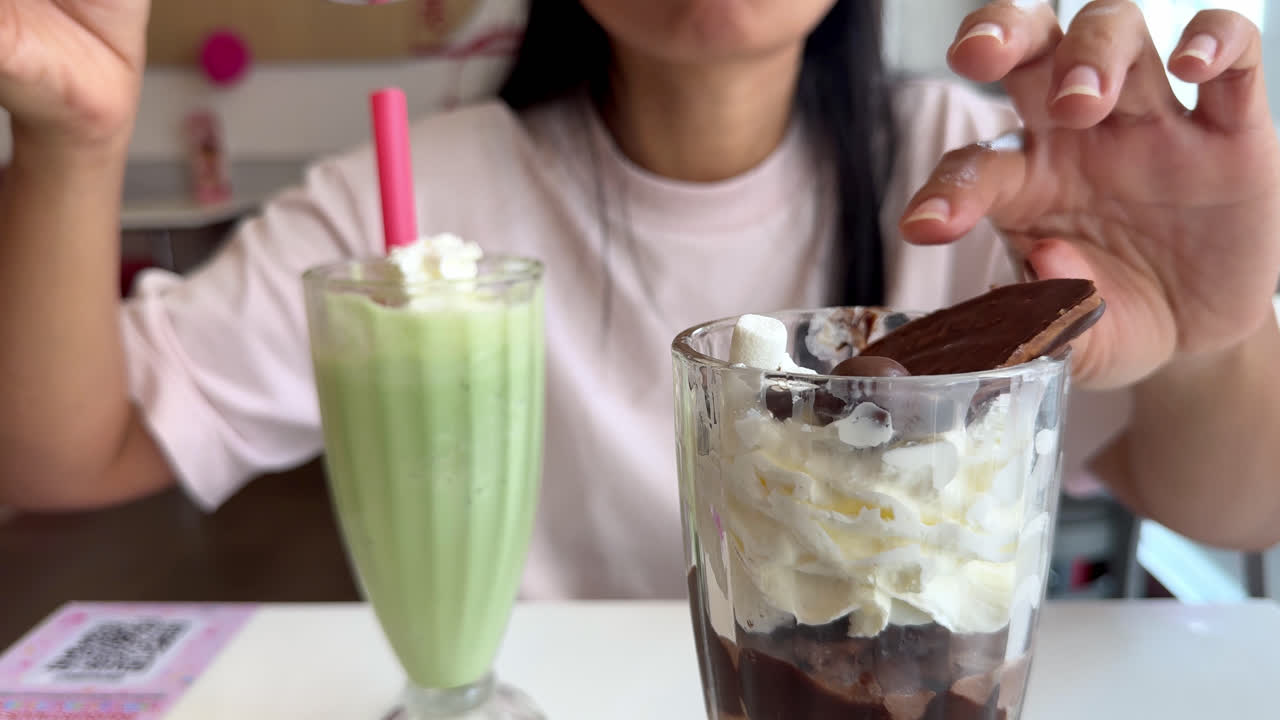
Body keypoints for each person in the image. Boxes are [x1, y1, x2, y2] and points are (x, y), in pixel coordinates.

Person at [1, 0, 1278, 600]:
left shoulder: (997, 176)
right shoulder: (410, 219)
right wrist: (73, 146)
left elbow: (1243, 500)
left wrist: (1207, 339)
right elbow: (65, 456)